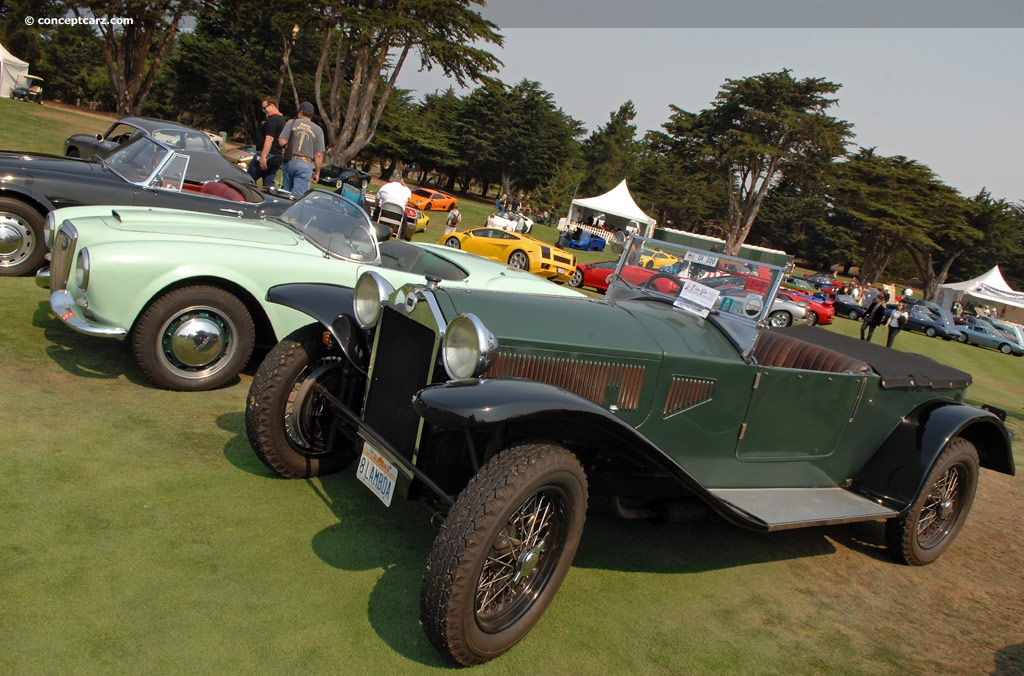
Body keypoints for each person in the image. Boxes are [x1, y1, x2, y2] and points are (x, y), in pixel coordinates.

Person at [278, 101, 325, 196]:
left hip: (289, 160)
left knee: (286, 193)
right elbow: (318, 154)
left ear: (301, 112)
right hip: (305, 163)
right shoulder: (318, 130)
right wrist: (317, 172)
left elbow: (281, 140)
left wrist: (289, 146)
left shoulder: (291, 123)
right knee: (298, 196)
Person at [248, 96, 286, 186]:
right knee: (268, 184)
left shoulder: (273, 120)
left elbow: (269, 139)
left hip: (268, 156)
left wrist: (263, 157)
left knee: (248, 180)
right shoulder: (282, 120)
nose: (264, 111)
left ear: (272, 105)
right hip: (276, 157)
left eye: (265, 108)